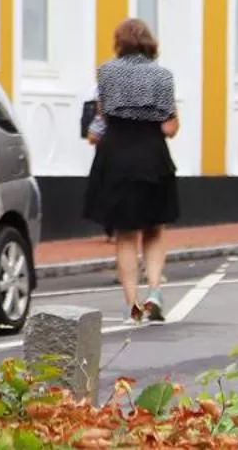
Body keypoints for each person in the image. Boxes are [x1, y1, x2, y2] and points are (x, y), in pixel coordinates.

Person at [82, 17, 181, 323]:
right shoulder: (163, 76)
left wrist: (95, 132)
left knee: (126, 235)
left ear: (119, 42)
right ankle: (154, 291)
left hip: (116, 157)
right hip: (152, 155)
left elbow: (102, 116)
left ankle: (133, 305)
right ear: (149, 42)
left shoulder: (106, 72)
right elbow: (170, 127)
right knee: (154, 229)